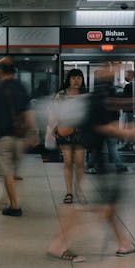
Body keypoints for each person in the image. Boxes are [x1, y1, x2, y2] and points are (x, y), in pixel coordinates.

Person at [47, 67, 135, 262]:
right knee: (101, 208)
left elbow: (115, 106)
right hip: (102, 160)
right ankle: (59, 243)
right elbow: (105, 126)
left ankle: (124, 243)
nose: (114, 70)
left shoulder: (96, 96)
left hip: (100, 157)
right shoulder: (97, 98)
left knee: (109, 206)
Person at [0, 56, 37, 217]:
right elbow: (28, 113)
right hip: (19, 138)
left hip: (1, 137)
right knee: (10, 171)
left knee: (6, 172)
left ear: (0, 71)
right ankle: (6, 199)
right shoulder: (21, 87)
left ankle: (14, 206)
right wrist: (33, 133)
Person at [50, 69, 88, 204]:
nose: (76, 80)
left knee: (79, 162)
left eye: (79, 78)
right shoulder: (60, 95)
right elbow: (53, 112)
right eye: (73, 78)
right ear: (68, 79)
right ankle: (69, 192)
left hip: (81, 132)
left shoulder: (85, 95)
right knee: (67, 162)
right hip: (64, 131)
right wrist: (51, 129)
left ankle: (79, 191)